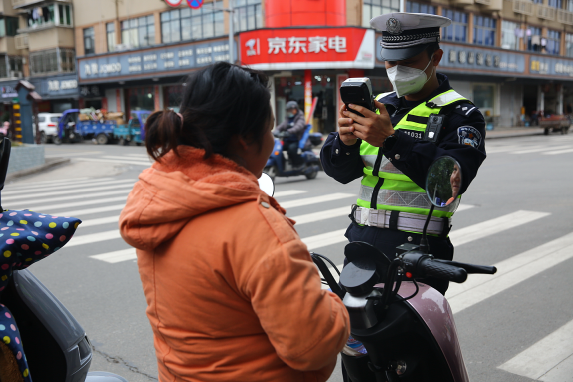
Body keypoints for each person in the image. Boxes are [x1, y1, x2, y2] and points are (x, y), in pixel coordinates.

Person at [119, 62, 349, 382]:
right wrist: (336, 306)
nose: (271, 140)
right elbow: (312, 346)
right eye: (268, 129)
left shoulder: (161, 200)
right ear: (244, 138)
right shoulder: (256, 228)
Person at [321, 12, 487, 296]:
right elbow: (341, 173)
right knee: (353, 335)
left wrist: (391, 141)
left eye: (408, 63)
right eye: (390, 62)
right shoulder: (379, 106)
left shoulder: (462, 115)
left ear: (435, 57)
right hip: (361, 248)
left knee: (409, 338)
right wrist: (345, 142)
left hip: (419, 252)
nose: (397, 71)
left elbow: (448, 185)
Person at [275, 100, 306, 168]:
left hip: (296, 141)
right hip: (287, 140)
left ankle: (297, 164)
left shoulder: (300, 118)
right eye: (289, 110)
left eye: (292, 110)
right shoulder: (288, 118)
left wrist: (289, 131)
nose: (290, 111)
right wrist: (276, 131)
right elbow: (282, 125)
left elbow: (298, 127)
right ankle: (282, 164)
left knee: (291, 149)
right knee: (277, 149)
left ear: (296, 110)